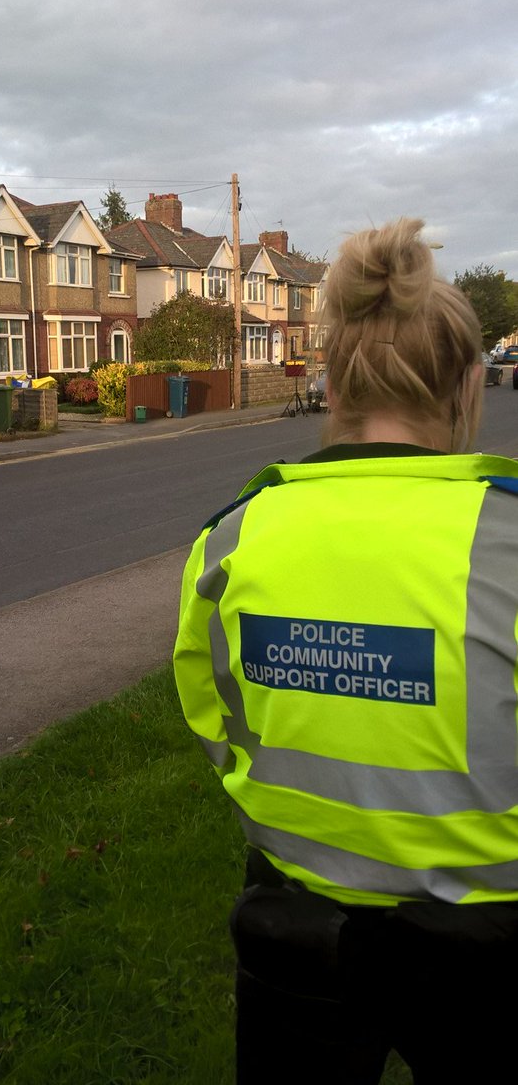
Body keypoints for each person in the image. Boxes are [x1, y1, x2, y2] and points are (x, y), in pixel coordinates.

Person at [173, 218, 518, 1085]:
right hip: (491, 943)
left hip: (296, 927)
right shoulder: (508, 536)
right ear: (469, 385)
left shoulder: (233, 536)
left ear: (329, 383)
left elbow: (214, 714)